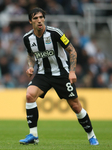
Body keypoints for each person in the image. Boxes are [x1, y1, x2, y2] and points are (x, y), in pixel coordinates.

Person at [19, 7, 99, 146]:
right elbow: (31, 55)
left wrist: (72, 71)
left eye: (41, 17)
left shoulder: (55, 33)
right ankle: (33, 135)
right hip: (43, 74)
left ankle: (91, 135)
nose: (39, 20)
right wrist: (31, 66)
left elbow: (72, 51)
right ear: (30, 21)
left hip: (61, 74)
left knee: (75, 106)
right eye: (36, 18)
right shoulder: (27, 38)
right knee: (29, 95)